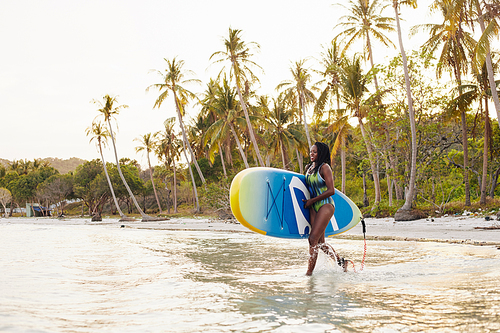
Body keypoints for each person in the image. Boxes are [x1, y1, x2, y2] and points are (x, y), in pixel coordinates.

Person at [302, 142, 346, 275]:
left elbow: (331, 190)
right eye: (311, 151)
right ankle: (341, 261)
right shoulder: (308, 168)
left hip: (325, 205)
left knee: (312, 239)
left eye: (314, 152)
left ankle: (309, 274)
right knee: (320, 243)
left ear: (320, 153)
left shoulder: (325, 168)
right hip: (313, 206)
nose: (311, 154)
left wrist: (312, 201)